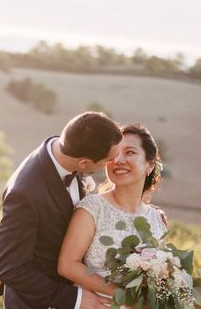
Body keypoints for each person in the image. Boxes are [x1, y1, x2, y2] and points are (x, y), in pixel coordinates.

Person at [0, 112, 123, 309]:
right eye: (108, 159)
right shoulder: (24, 194)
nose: (114, 162)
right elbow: (12, 270)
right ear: (84, 163)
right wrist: (75, 299)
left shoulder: (70, 149)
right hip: (36, 303)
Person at [57, 123, 166, 299]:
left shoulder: (157, 218)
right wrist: (123, 296)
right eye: (114, 154)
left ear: (150, 164)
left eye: (130, 152)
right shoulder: (92, 208)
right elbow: (67, 265)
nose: (118, 160)